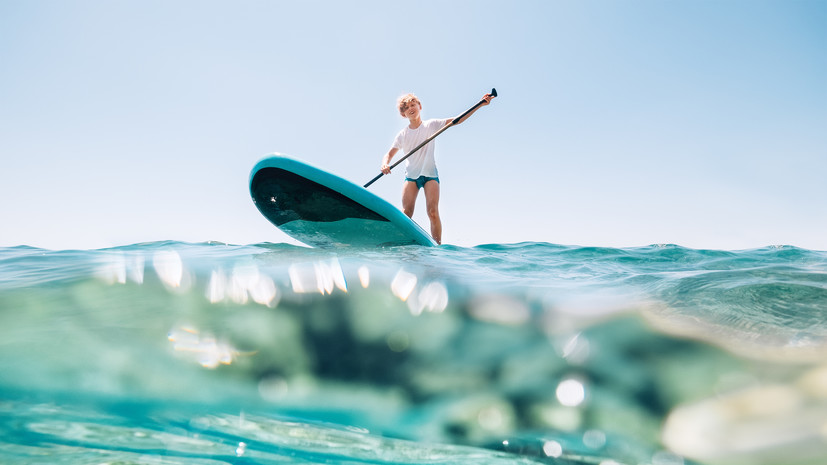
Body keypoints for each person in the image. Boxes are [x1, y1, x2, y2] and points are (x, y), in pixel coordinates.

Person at [380, 91, 494, 244]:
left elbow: (457, 120)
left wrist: (480, 105)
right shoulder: (403, 135)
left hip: (430, 176)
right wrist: (385, 164)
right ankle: (399, 241)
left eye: (413, 105)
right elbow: (389, 154)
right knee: (406, 213)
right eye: (407, 107)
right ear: (403, 114)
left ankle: (437, 246)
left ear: (419, 106)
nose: (411, 108)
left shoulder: (431, 125)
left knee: (433, 212)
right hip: (411, 177)